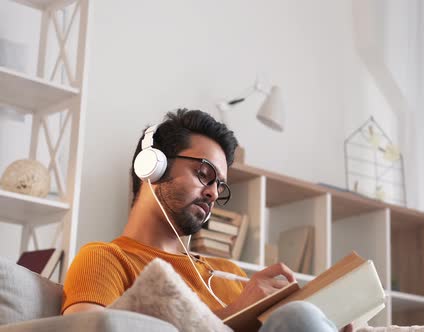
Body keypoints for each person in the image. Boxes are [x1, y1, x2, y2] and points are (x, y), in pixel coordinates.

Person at [61, 109, 345, 331]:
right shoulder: (106, 259)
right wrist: (233, 314)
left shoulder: (228, 273)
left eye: (219, 186)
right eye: (203, 174)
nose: (212, 193)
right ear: (153, 167)